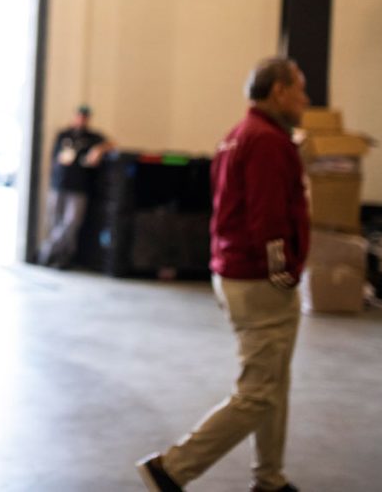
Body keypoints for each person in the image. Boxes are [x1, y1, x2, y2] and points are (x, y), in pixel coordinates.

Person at [137, 57, 311, 492]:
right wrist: (284, 272)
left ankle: (269, 479)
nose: (305, 100)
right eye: (300, 89)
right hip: (258, 280)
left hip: (235, 274)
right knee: (257, 392)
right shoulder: (268, 141)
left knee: (273, 382)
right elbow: (268, 218)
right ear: (278, 92)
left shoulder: (237, 136)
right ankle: (171, 469)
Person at [36, 104, 112, 268]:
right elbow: (54, 158)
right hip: (59, 184)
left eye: (85, 117)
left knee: (71, 223)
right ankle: (53, 254)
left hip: (79, 187)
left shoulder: (92, 137)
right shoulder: (64, 135)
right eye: (79, 116)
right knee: (55, 221)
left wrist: (98, 150)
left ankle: (52, 253)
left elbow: (110, 144)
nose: (81, 119)